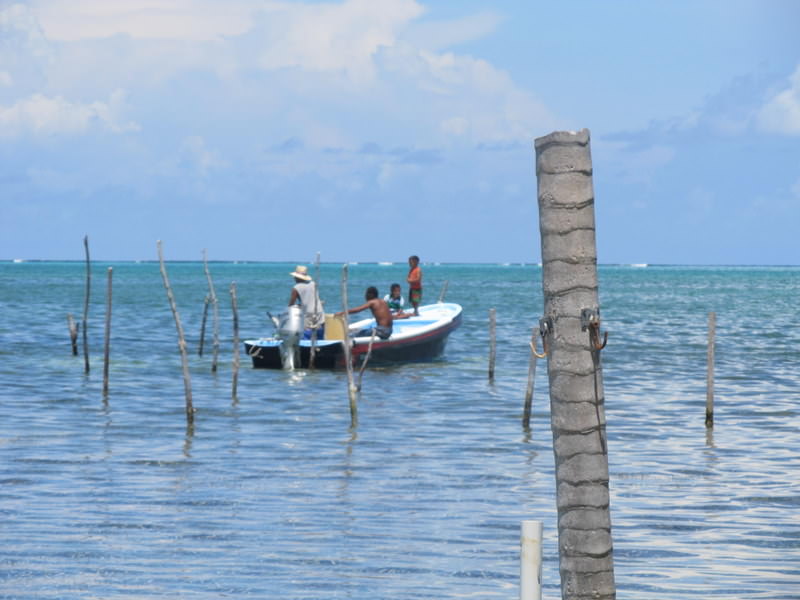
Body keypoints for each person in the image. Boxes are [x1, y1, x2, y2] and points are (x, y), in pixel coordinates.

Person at [288, 265, 325, 339]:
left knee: (307, 336)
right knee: (319, 336)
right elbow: (311, 298)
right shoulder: (313, 284)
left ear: (296, 277)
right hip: (319, 312)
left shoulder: (296, 288)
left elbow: (291, 304)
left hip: (309, 315)